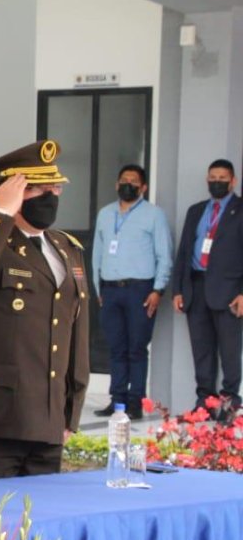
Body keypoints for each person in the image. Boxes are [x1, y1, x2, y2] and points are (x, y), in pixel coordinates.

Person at [0, 140, 90, 482]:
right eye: (37, 189)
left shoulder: (67, 249)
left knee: (35, 529)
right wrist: (0, 215)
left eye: (54, 187)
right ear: (11, 192)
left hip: (46, 422)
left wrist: (70, 412)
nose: (50, 196)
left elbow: (76, 332)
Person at [90, 164, 173, 419]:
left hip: (140, 290)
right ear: (116, 185)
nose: (128, 184)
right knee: (116, 348)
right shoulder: (105, 214)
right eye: (124, 180)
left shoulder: (154, 215)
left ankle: (135, 401)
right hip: (111, 291)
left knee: (136, 349)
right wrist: (98, 287)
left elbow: (164, 255)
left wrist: (158, 289)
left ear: (143, 187)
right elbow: (97, 253)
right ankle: (117, 401)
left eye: (134, 181)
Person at [172, 159, 242, 421]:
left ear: (233, 181)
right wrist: (178, 290)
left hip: (229, 293)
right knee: (201, 350)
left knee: (230, 351)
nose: (217, 181)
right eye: (212, 177)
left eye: (223, 177)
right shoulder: (196, 210)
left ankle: (229, 404)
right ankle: (204, 402)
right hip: (195, 289)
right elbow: (184, 253)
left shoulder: (240, 209)